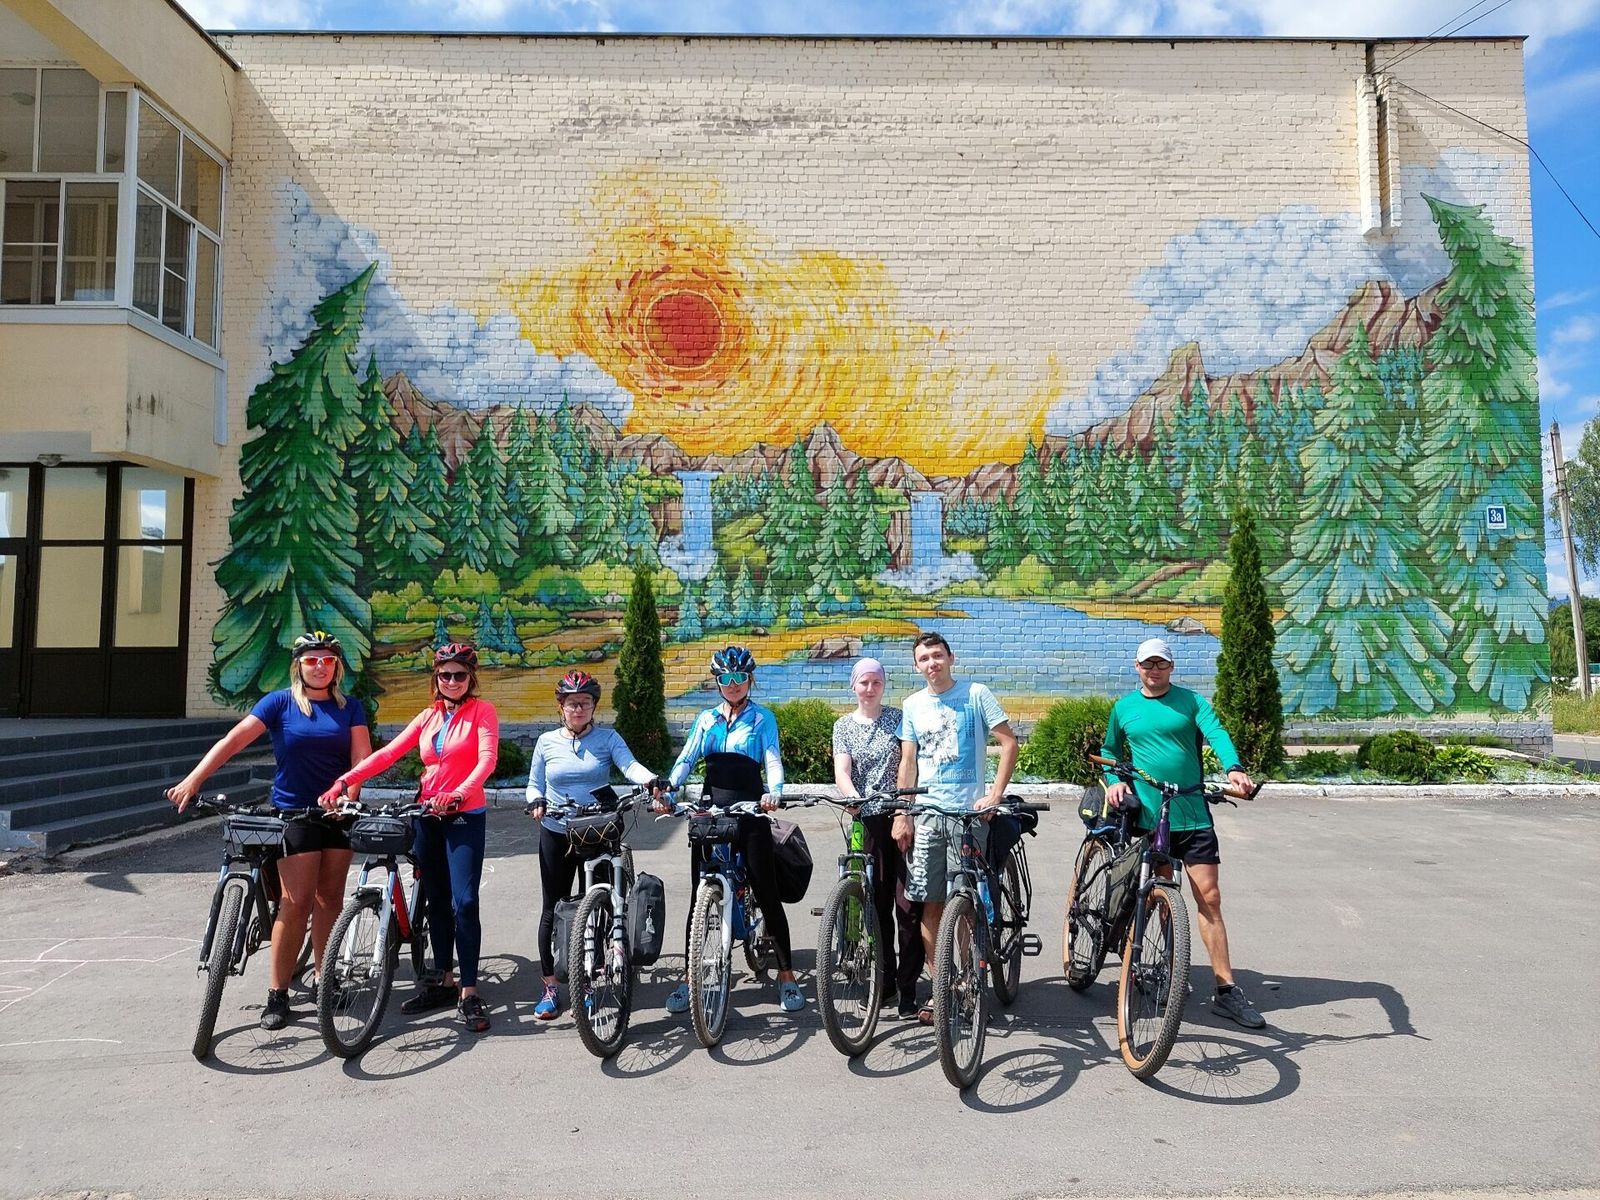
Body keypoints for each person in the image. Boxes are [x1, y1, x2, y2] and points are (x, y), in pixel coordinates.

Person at [167, 631, 372, 1031]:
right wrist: (194, 779)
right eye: (311, 660)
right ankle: (277, 994)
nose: (319, 667)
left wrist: (349, 798)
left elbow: (360, 758)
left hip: (336, 815)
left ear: (336, 667)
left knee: (330, 899)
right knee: (295, 903)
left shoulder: (350, 707)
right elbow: (233, 741)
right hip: (294, 813)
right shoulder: (279, 703)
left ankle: (323, 977)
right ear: (299, 666)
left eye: (327, 661)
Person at [320, 642, 499, 1033]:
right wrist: (345, 781)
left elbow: (487, 759)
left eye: (460, 675)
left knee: (465, 902)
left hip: (464, 815)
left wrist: (459, 793)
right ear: (436, 677)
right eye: (445, 674)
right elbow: (387, 754)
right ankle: (443, 981)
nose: (452, 681)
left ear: (470, 679)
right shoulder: (428, 716)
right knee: (436, 901)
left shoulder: (482, 712)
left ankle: (469, 991)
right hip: (427, 815)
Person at [1100, 636, 1263, 1029]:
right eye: (1147, 664)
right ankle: (1167, 969)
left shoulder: (1191, 702)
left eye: (1161, 664)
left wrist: (1234, 768)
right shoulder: (1124, 708)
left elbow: (1216, 732)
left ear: (1171, 667)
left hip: (1192, 816)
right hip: (1151, 819)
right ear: (1137, 667)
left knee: (1210, 898)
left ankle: (1226, 990)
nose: (1154, 670)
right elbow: (1109, 752)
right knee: (1159, 897)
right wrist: (1114, 782)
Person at [655, 644, 803, 1014]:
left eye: (739, 677)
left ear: (750, 679)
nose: (733, 683)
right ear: (717, 682)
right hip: (711, 811)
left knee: (766, 892)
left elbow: (772, 759)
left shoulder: (762, 718)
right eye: (725, 678)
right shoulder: (706, 719)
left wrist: (774, 791)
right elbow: (686, 758)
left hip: (751, 809)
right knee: (698, 898)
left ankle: (786, 975)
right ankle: (690, 978)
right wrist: (669, 791)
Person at [894, 631, 1019, 1026]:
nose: (931, 663)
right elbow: (908, 762)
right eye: (924, 658)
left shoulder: (976, 694)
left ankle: (968, 982)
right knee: (930, 904)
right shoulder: (912, 704)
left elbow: (1008, 742)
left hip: (969, 816)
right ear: (916, 666)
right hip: (928, 815)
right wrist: (903, 812)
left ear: (951, 657)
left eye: (937, 655)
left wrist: (994, 795)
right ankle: (943, 986)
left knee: (963, 903)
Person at [525, 670, 665, 1020]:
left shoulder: (607, 738)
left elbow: (629, 766)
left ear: (593, 706)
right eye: (572, 703)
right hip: (557, 831)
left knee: (598, 906)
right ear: (561, 706)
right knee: (553, 907)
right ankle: (550, 987)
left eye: (585, 703)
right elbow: (533, 783)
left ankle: (588, 982)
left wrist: (650, 779)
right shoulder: (547, 742)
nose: (578, 709)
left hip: (597, 831)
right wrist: (536, 800)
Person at [832, 656, 924, 1019]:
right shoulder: (843, 726)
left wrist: (905, 808)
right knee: (878, 905)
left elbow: (910, 762)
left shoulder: (899, 719)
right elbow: (842, 770)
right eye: (864, 682)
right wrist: (851, 797)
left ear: (884, 685)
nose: (870, 689)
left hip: (902, 817)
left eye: (876, 682)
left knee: (908, 906)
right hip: (868, 820)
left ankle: (908, 988)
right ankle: (885, 984)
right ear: (853, 686)